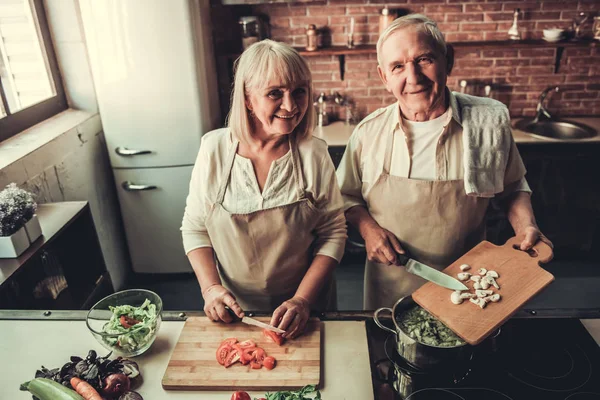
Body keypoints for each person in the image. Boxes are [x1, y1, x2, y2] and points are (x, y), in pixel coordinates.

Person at [336, 14, 552, 310]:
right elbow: (345, 196)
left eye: (424, 59)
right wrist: (368, 229)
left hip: (470, 285)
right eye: (398, 66)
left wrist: (526, 226)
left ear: (447, 60)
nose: (413, 77)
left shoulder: (488, 122)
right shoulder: (367, 134)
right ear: (384, 77)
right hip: (391, 288)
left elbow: (513, 187)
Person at [181, 40, 347, 338]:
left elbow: (333, 233)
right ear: (247, 98)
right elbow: (195, 228)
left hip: (305, 308)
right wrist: (211, 289)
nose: (291, 105)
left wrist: (302, 300)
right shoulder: (214, 149)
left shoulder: (314, 153)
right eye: (275, 93)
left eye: (299, 91)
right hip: (236, 310)